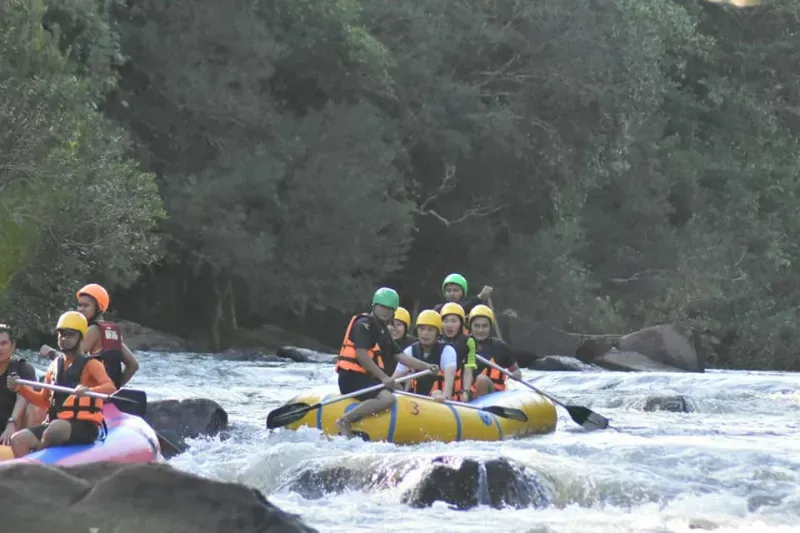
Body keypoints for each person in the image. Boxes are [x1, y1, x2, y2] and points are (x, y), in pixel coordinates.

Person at [7, 311, 115, 457]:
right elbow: (44, 401)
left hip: (83, 426)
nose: (64, 338)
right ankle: (29, 475)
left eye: (70, 335)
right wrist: (20, 388)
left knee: (56, 428)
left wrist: (88, 389)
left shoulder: (92, 364)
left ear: (81, 338)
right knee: (18, 439)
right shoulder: (54, 367)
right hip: (55, 423)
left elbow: (110, 388)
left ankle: (36, 460)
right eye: (61, 334)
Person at [334, 288, 437, 438]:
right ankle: (345, 420)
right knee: (387, 399)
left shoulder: (383, 330)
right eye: (382, 307)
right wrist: (384, 377)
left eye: (389, 309)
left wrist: (426, 366)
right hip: (351, 378)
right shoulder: (363, 325)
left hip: (365, 378)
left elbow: (400, 355)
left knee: (397, 387)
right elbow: (362, 356)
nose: (385, 311)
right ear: (374, 306)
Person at [40, 283, 139, 388]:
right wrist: (115, 388)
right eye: (79, 305)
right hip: (105, 393)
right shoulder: (111, 331)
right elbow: (133, 365)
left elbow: (72, 360)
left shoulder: (93, 330)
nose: (81, 309)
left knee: (43, 381)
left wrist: (50, 353)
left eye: (86, 306)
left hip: (90, 392)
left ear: (98, 308)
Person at [392, 310, 462, 402]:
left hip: (441, 400)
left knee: (437, 394)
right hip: (417, 400)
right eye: (422, 329)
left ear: (437, 333)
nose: (425, 333)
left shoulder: (447, 351)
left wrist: (446, 397)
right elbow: (394, 378)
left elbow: (449, 382)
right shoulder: (410, 350)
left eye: (430, 330)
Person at [0, 324, 43, 444]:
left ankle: (30, 446)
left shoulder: (22, 367)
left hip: (15, 424)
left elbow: (23, 397)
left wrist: (11, 422)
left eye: (4, 343)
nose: (0, 348)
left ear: (12, 346)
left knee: (32, 407)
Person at [468, 305, 521, 398]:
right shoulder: (463, 345)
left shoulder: (500, 346)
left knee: (482, 380)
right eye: (476, 326)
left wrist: (516, 375)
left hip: (494, 394)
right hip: (467, 393)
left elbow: (516, 370)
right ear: (470, 327)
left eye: (484, 326)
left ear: (490, 327)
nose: (480, 330)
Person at [438, 303, 477, 401]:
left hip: (459, 385)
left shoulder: (469, 341)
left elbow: (468, 368)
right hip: (438, 382)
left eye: (454, 321)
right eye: (446, 321)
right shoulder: (436, 339)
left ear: (461, 323)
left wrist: (466, 391)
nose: (449, 325)